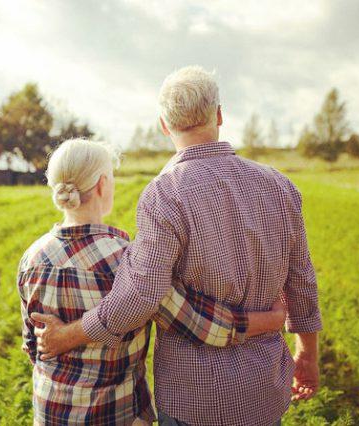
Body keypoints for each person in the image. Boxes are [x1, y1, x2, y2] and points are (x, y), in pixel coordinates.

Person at [34, 66, 323, 426]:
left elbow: (140, 297)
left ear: (164, 126)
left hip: (193, 397)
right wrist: (307, 355)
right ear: (219, 115)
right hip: (264, 389)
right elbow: (302, 282)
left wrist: (67, 336)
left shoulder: (164, 194)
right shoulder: (279, 186)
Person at [18, 138, 288, 425]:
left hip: (49, 412)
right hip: (116, 414)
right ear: (100, 185)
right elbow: (198, 323)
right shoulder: (128, 260)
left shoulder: (31, 258)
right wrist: (270, 320)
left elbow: (33, 346)